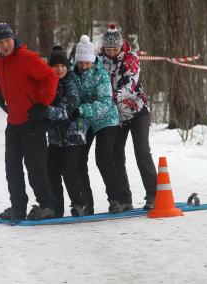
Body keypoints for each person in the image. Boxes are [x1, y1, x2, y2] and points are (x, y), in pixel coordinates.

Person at [0, 23, 59, 220]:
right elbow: (3, 79)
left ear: (14, 38)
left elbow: (50, 77)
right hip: (13, 123)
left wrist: (43, 104)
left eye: (7, 40)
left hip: (32, 121)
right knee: (12, 168)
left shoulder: (26, 58)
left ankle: (47, 205)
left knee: (35, 166)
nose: (5, 45)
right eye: (0, 42)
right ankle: (18, 207)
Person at [99, 24, 157, 210]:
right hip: (116, 115)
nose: (112, 52)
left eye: (115, 49)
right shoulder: (99, 60)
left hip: (137, 111)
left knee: (141, 151)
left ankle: (154, 194)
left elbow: (131, 84)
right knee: (116, 154)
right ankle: (124, 199)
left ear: (121, 45)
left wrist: (111, 97)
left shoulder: (131, 58)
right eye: (108, 49)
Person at [71, 35, 130, 214]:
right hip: (86, 120)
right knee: (79, 160)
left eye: (87, 63)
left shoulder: (101, 74)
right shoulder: (72, 75)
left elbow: (105, 102)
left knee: (103, 157)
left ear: (92, 61)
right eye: (81, 63)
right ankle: (86, 204)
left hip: (106, 118)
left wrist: (81, 110)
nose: (84, 66)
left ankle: (116, 199)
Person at [45, 46, 88, 218]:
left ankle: (79, 204)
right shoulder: (48, 85)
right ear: (50, 68)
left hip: (73, 134)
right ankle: (57, 207)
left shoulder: (72, 84)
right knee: (52, 170)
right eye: (56, 66)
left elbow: (67, 110)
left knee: (69, 169)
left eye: (63, 66)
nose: (60, 69)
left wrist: (44, 111)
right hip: (55, 137)